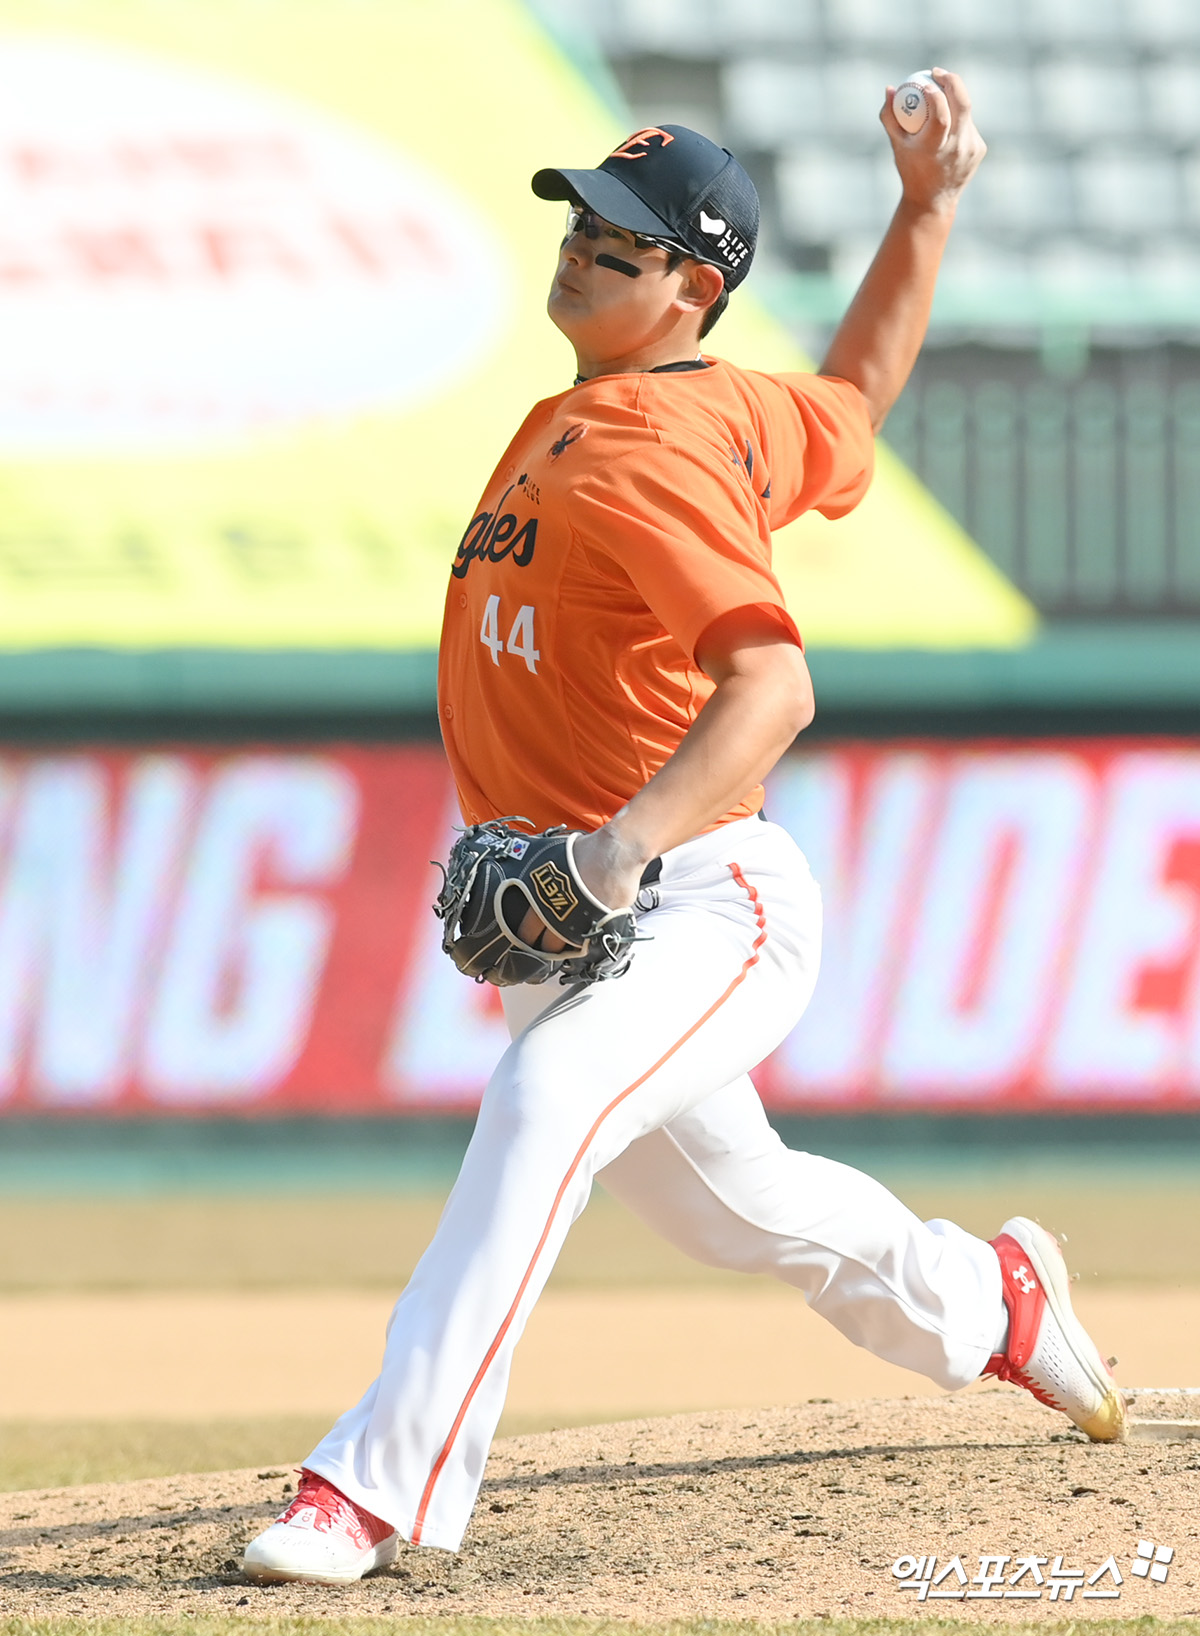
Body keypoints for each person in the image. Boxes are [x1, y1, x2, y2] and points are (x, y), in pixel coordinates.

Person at [243, 73, 1124, 1586]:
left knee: (544, 1105)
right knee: (744, 1206)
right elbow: (853, 404)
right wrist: (925, 210)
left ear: (694, 289)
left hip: (701, 899)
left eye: (625, 242)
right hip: (590, 902)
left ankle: (371, 1488)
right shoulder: (709, 409)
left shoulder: (648, 443)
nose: (584, 249)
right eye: (581, 223)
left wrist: (613, 853)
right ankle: (994, 1305)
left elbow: (774, 686)